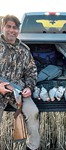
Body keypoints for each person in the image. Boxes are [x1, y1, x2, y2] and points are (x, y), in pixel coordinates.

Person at [0, 15, 40, 150]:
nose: (12, 30)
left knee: (33, 112)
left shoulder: (24, 50)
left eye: (15, 28)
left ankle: (32, 147)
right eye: (8, 26)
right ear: (2, 27)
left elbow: (32, 72)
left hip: (17, 92)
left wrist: (29, 87)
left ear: (18, 30)